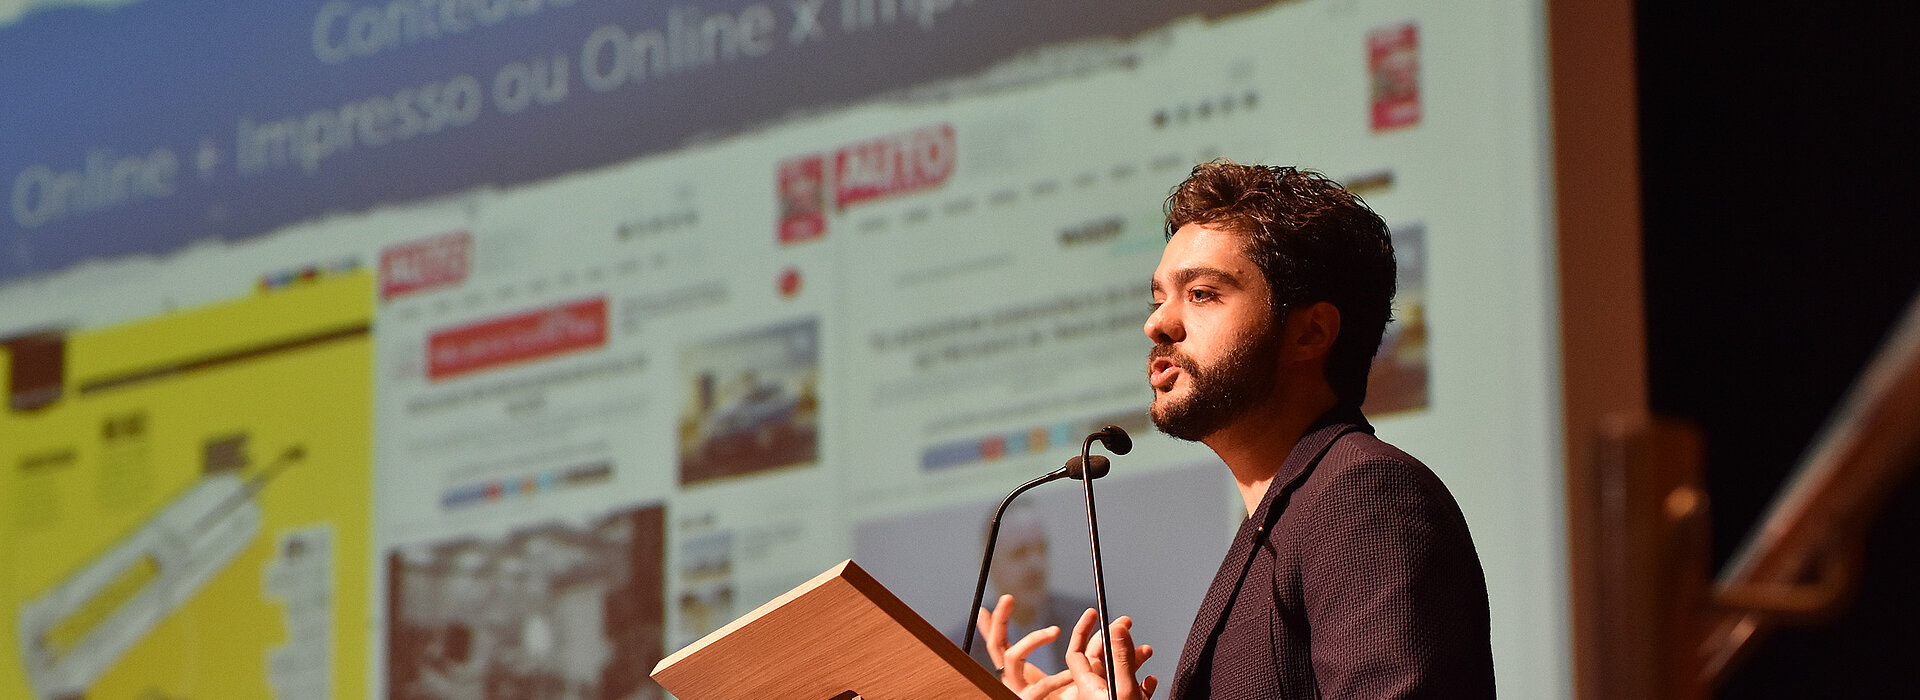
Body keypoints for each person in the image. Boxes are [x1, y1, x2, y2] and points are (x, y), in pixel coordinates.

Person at [976, 161, 1495, 699]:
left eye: (1201, 293)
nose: (1156, 323)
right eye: (1159, 298)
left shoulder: (1363, 494)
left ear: (1310, 332)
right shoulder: (1279, 517)